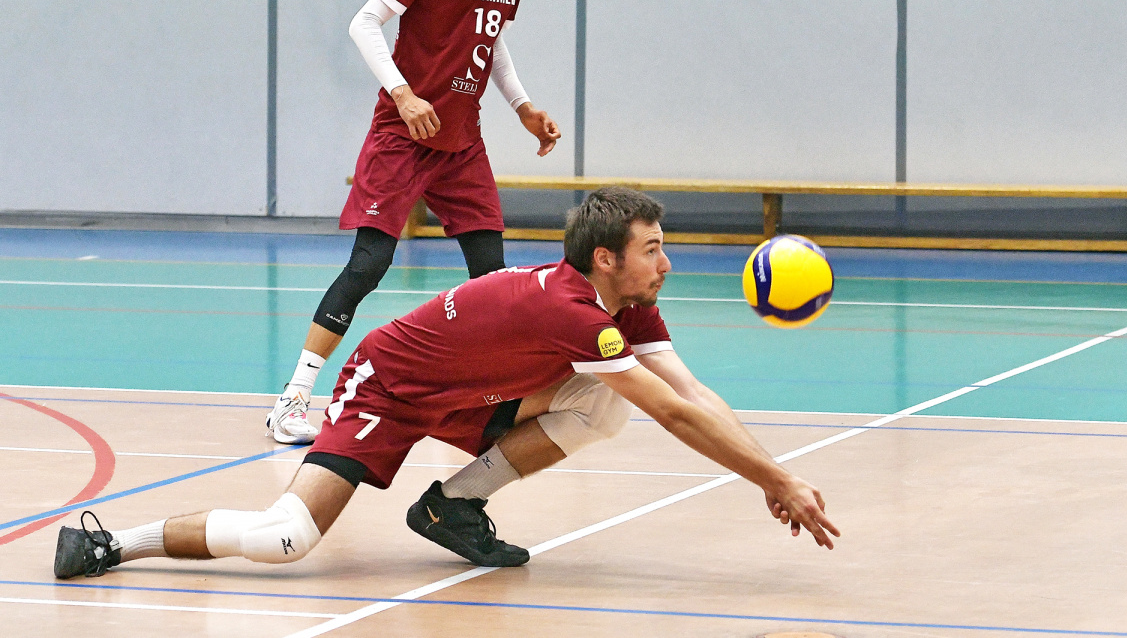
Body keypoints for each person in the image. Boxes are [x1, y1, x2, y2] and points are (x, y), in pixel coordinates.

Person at [54, 188, 839, 580]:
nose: (667, 262)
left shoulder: (624, 308)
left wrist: (775, 473)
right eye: (654, 248)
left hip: (474, 394)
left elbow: (692, 394)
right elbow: (676, 415)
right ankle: (111, 542)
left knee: (605, 399)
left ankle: (451, 504)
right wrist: (775, 480)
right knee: (285, 539)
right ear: (606, 258)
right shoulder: (574, 313)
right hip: (387, 387)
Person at [265, 0, 561, 444]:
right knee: (369, 264)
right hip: (404, 134)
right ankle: (292, 399)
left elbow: (491, 39)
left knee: (489, 277)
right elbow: (364, 22)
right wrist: (403, 93)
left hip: (463, 139)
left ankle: (474, 403)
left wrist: (523, 106)